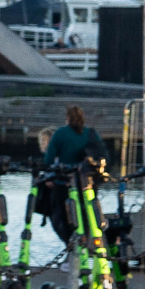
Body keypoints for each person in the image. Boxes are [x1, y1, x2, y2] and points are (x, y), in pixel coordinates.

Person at [37, 104, 102, 243]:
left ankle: (71, 249)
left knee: (61, 218)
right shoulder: (91, 133)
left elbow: (48, 160)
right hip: (87, 185)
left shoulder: (60, 133)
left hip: (64, 185)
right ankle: (84, 246)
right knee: (85, 218)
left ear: (67, 118)